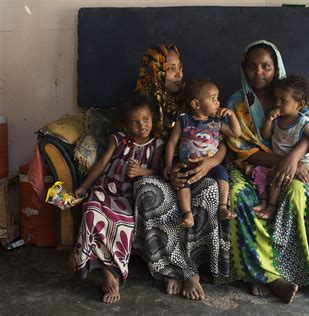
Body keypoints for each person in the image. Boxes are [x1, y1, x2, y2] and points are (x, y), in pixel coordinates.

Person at [225, 40, 309, 303]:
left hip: (294, 166)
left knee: (300, 195)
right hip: (252, 167)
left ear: (275, 67)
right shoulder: (238, 104)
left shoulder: (292, 94)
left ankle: (298, 273)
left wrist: (294, 158)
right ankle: (265, 276)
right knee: (239, 198)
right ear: (244, 69)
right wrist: (283, 160)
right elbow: (242, 148)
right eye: (252, 66)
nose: (259, 72)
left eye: (266, 66)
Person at [133, 45, 230, 301]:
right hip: (160, 172)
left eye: (180, 68)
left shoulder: (193, 101)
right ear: (155, 73)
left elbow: (221, 142)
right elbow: (143, 148)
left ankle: (192, 270)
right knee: (147, 190)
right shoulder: (142, 107)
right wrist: (166, 171)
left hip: (196, 169)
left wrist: (209, 165)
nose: (178, 74)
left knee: (209, 190)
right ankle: (170, 270)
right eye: (171, 69)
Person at [70, 94, 164, 303]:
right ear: (125, 124)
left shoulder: (156, 144)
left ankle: (111, 272)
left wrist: (141, 171)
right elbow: (103, 163)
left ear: (153, 118)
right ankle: (103, 269)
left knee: (123, 224)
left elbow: (157, 171)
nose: (142, 126)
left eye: (146, 119)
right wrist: (84, 187)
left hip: (129, 193)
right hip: (106, 187)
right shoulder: (118, 138)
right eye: (135, 122)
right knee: (92, 213)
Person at [163, 78, 241, 227]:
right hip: (187, 165)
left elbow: (235, 133)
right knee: (182, 185)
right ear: (196, 104)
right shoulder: (184, 121)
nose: (217, 102)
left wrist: (231, 115)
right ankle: (187, 214)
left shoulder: (216, 122)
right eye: (213, 99)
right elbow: (172, 142)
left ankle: (223, 207)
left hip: (210, 166)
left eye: (217, 98)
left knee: (223, 175)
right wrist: (168, 164)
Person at [253, 74, 309, 219]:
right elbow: (266, 136)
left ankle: (271, 208)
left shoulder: (304, 123)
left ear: (300, 105)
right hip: (280, 160)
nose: (277, 103)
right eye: (276, 99)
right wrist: (268, 120)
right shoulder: (277, 119)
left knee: (276, 178)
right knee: (263, 175)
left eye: (283, 101)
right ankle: (265, 202)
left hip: (301, 163)